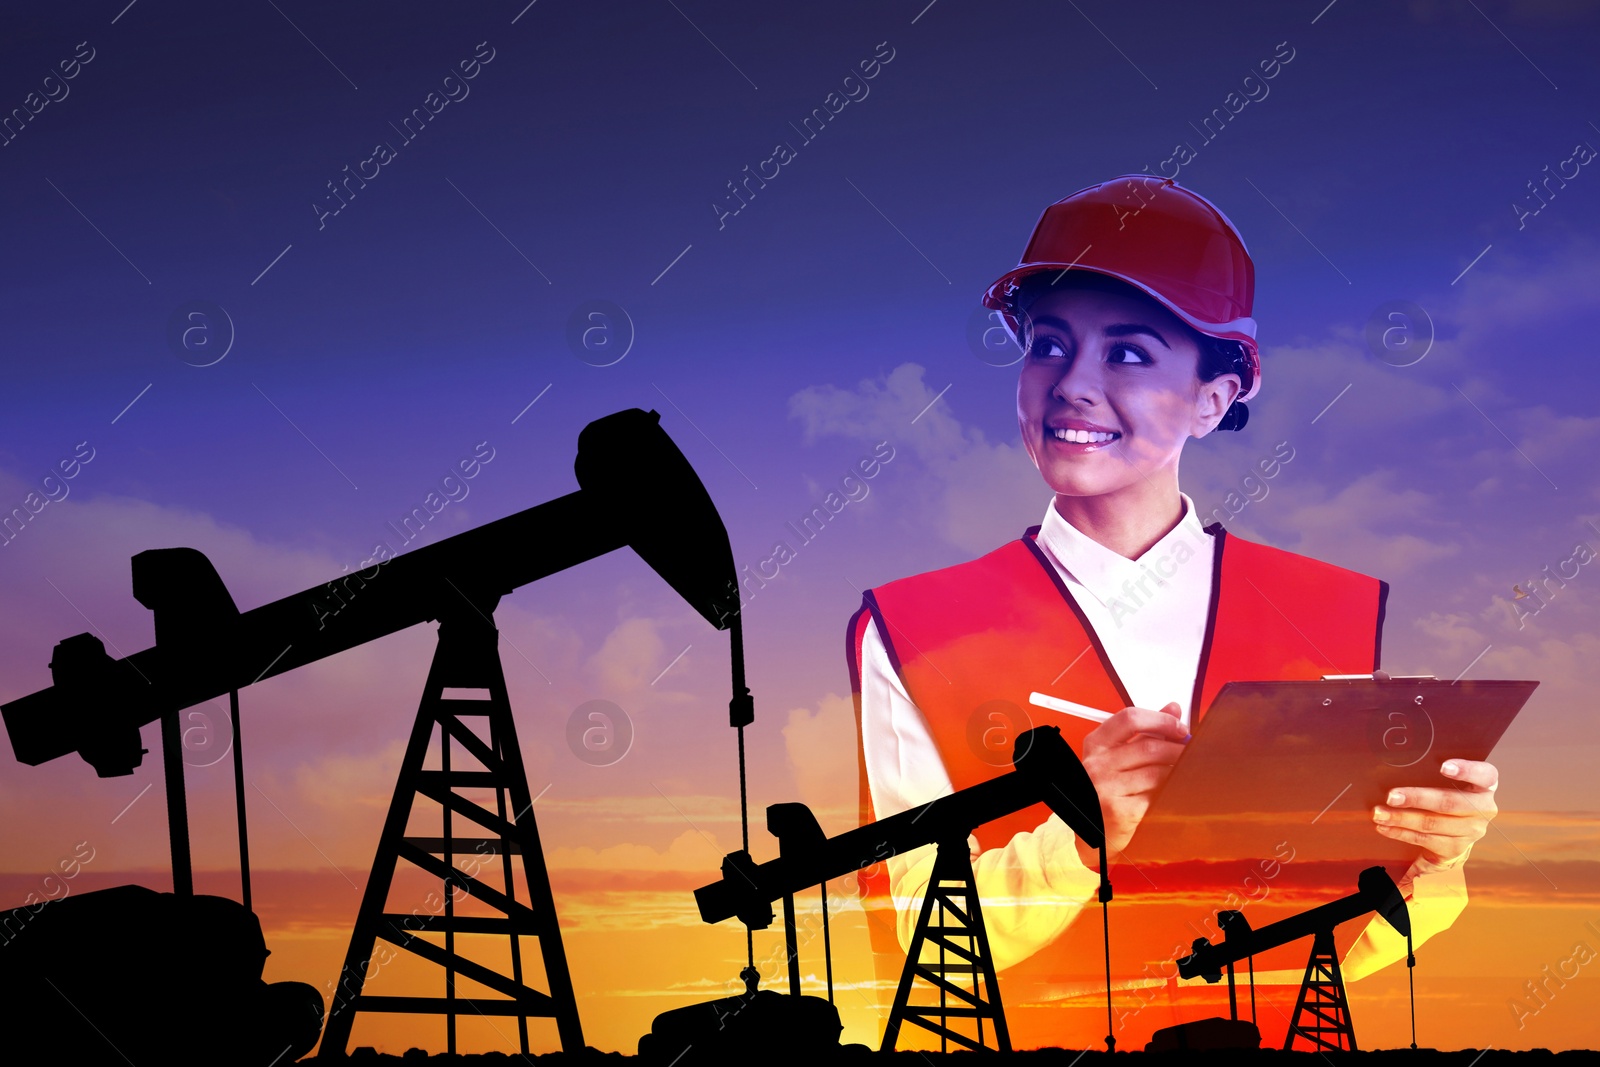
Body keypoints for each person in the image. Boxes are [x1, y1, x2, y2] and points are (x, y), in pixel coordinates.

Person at [846, 175, 1500, 1050]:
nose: (1071, 385)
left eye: (1127, 354)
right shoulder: (915, 625)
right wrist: (1075, 844)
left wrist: (1432, 857)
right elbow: (905, 942)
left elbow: (1335, 948)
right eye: (1048, 344)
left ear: (1215, 397)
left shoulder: (1329, 611)